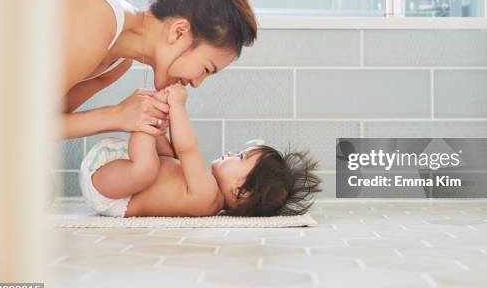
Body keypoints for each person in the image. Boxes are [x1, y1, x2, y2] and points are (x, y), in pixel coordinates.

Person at [53, 0, 257, 139]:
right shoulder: (96, 22)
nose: (196, 83)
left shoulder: (119, 64)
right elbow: (24, 121)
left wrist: (122, 117)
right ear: (179, 32)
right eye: (206, 69)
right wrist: (116, 115)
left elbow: (45, 124)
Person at [79, 84, 322, 217]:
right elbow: (177, 154)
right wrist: (163, 130)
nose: (230, 153)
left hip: (109, 189)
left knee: (149, 168)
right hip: (121, 172)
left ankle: (145, 121)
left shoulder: (207, 197)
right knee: (166, 158)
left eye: (240, 157)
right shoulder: (207, 192)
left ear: (241, 192)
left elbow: (187, 149)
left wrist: (178, 106)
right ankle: (150, 123)